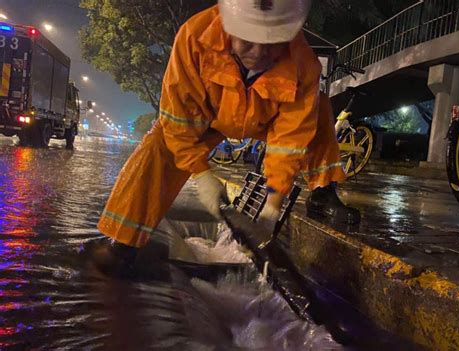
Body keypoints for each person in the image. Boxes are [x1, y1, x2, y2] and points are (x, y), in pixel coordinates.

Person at [93, 0, 360, 273]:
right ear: (229, 25)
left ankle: (323, 191)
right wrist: (201, 173)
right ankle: (124, 242)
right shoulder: (194, 37)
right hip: (209, 119)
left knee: (319, 109)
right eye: (248, 41)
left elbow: (289, 142)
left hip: (261, 119)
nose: (259, 53)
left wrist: (272, 206)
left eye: (272, 44)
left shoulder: (304, 64)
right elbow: (178, 122)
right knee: (159, 144)